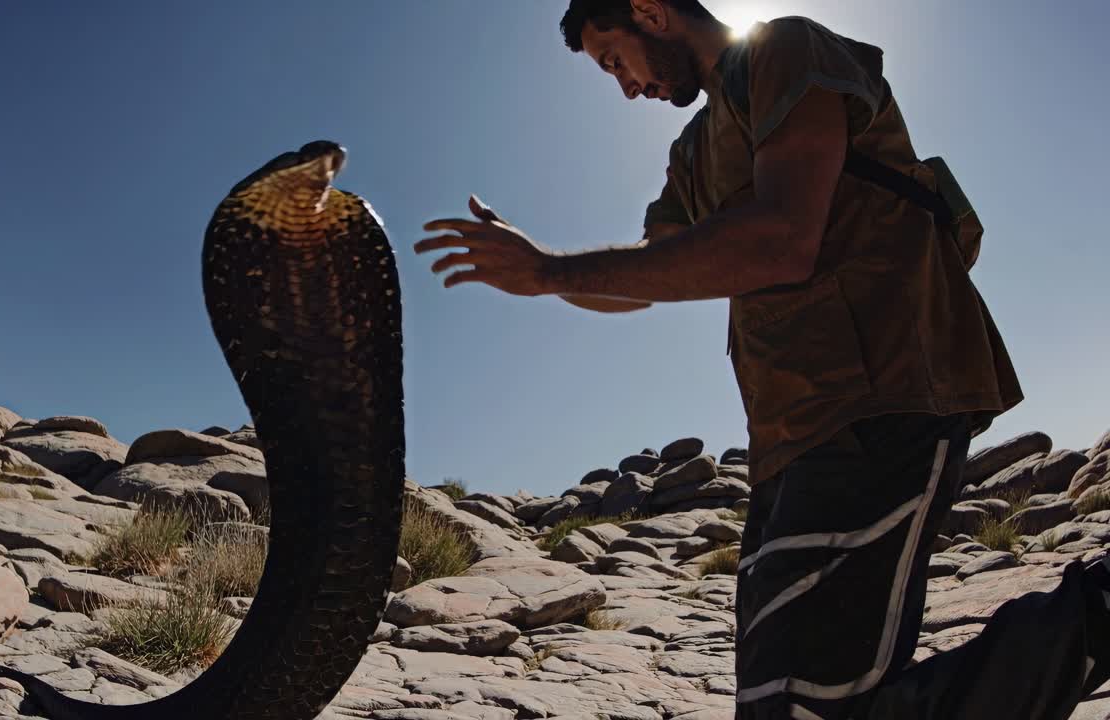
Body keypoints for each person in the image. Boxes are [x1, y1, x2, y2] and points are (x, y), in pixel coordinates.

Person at [413, 1, 1110, 718]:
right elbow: (647, 275)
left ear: (650, 12)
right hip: (789, 436)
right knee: (787, 703)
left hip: (885, 397)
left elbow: (783, 237)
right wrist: (534, 271)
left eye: (614, 60)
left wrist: (553, 272)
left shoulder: (786, 50)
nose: (623, 87)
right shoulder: (692, 150)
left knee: (803, 704)